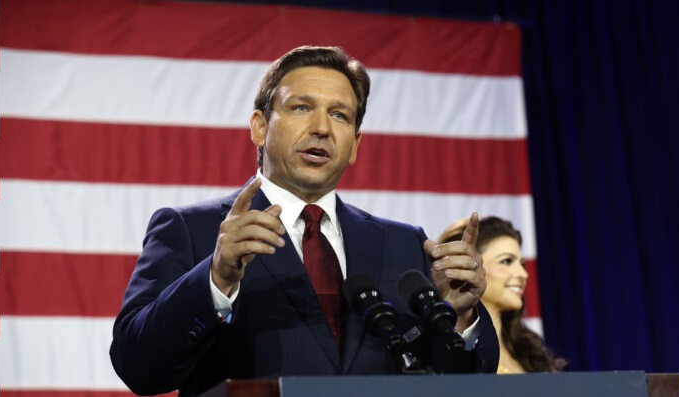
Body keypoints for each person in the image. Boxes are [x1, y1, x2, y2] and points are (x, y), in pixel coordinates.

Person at [110, 45, 498, 396]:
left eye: (339, 115)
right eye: (301, 108)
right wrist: (216, 279)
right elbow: (140, 369)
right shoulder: (193, 231)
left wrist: (459, 316)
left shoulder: (404, 245)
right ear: (260, 126)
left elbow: (453, 385)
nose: (322, 128)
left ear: (355, 146)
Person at [439, 216, 567, 374]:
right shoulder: (443, 349)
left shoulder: (531, 353)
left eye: (522, 264)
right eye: (506, 261)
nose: (523, 274)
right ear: (465, 268)